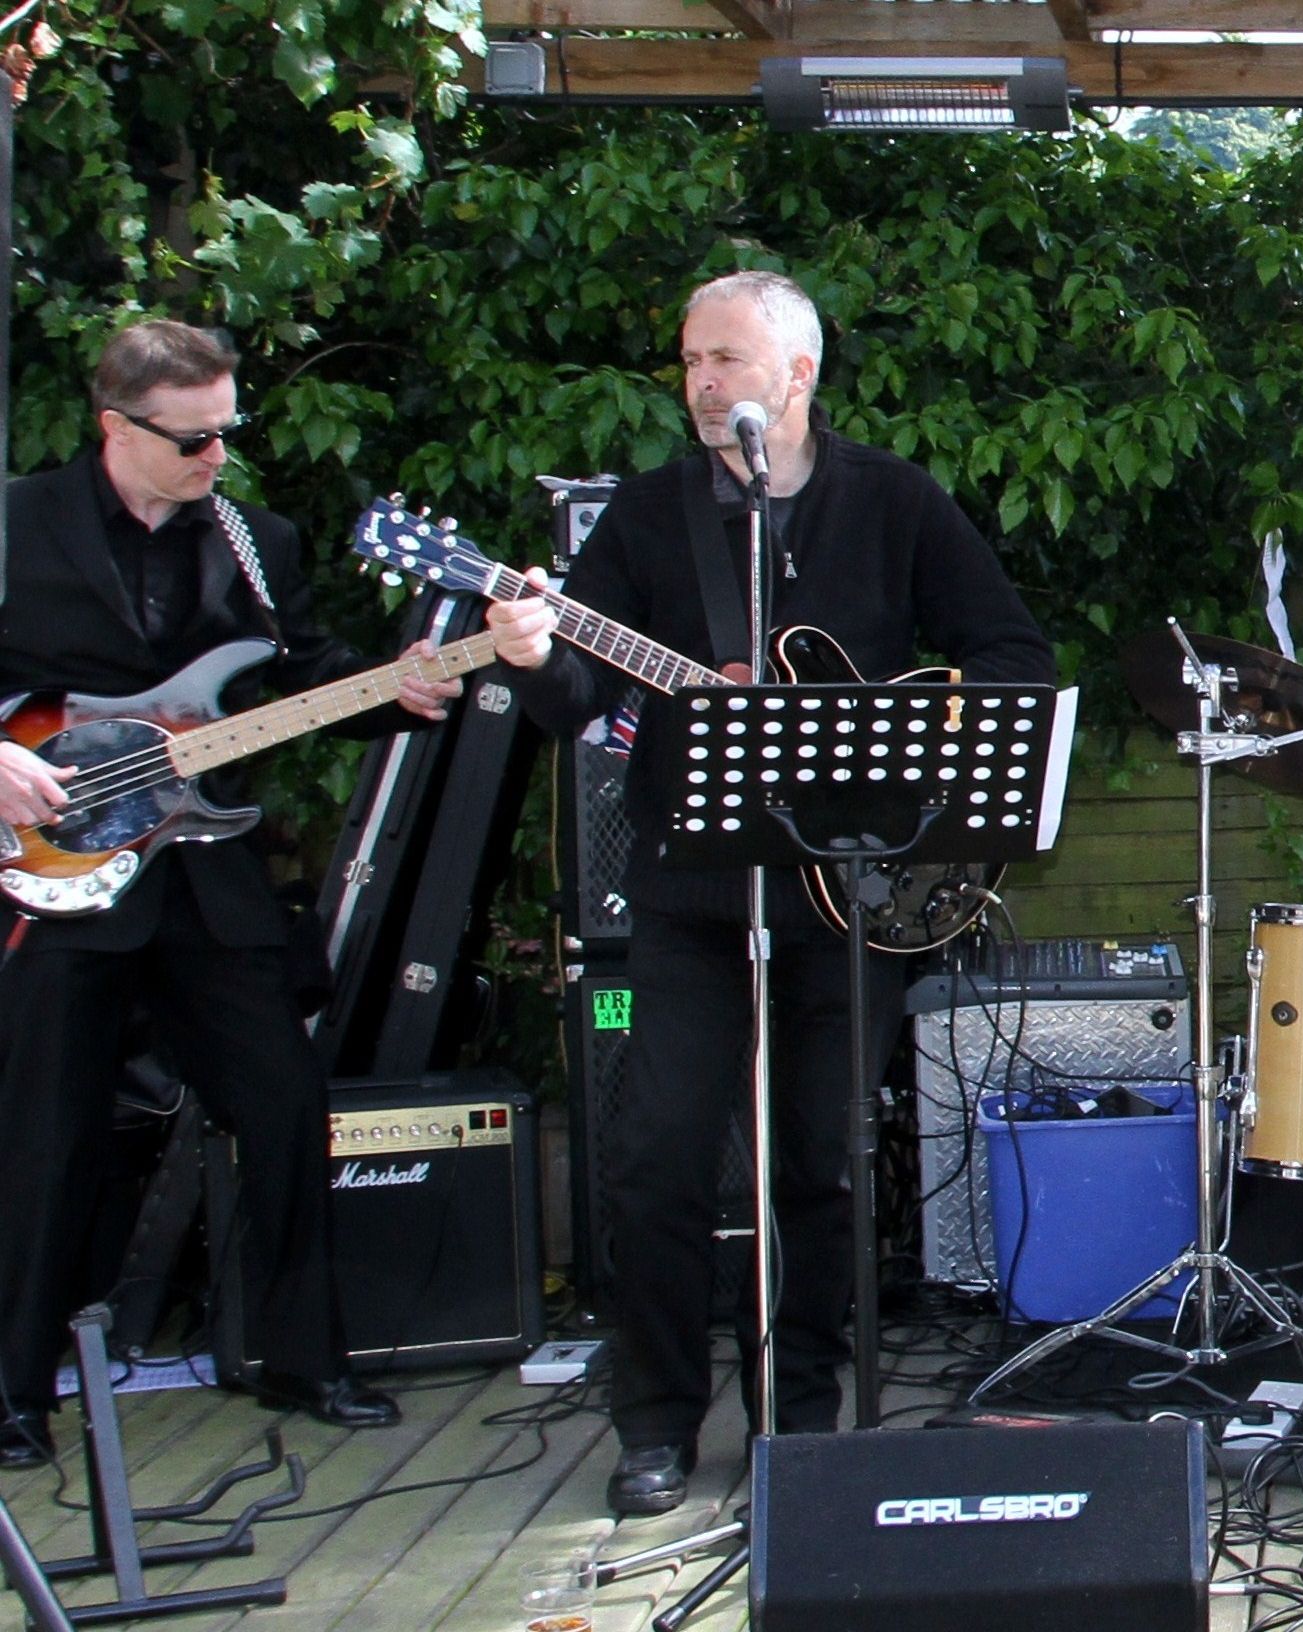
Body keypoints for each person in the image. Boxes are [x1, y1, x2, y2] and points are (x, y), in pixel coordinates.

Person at [486, 271, 1053, 1516]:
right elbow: (585, 700)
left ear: (795, 374)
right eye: (690, 360)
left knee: (825, 1166)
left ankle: (800, 1419)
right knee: (656, 1159)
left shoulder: (894, 502)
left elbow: (1011, 656)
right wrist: (535, 657)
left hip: (848, 900)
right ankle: (653, 1424)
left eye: (725, 360)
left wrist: (886, 725)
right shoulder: (647, 516)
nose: (701, 383)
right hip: (693, 891)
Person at [0, 320, 464, 1466]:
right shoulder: (16, 522)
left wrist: (396, 688)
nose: (217, 456)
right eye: (193, 438)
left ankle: (306, 1356)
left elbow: (299, 674)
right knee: (41, 1135)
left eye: (227, 431)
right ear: (115, 425)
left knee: (284, 1102)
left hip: (203, 878)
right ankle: (13, 1388)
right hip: (58, 874)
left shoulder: (257, 540)